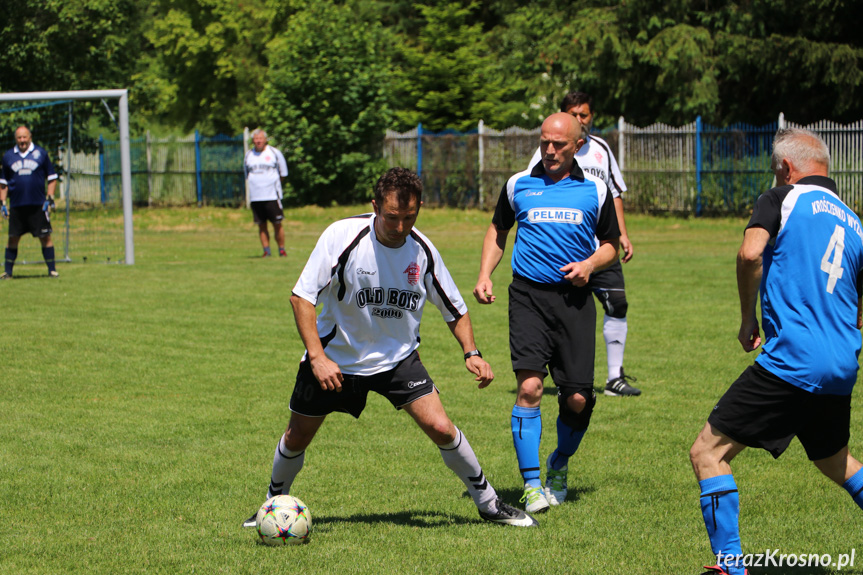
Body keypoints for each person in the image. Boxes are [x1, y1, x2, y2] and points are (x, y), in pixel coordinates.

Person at [243, 167, 537, 529]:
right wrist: (317, 357)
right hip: (336, 357)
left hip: (397, 359)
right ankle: (272, 505)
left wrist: (471, 352)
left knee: (442, 428)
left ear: (419, 209)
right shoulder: (342, 236)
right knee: (297, 435)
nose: (400, 227)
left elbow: (454, 308)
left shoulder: (423, 251)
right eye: (392, 217)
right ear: (375, 207)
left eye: (409, 218)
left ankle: (488, 503)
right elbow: (301, 297)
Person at [689, 128, 863, 575]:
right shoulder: (855, 223)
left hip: (793, 360)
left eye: (774, 171)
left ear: (786, 169)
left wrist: (749, 318)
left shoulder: (782, 198)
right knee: (836, 462)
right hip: (841, 365)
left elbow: (750, 255)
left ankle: (730, 565)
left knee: (708, 453)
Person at [473, 113, 620, 513]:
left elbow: (611, 243)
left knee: (577, 399)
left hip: (574, 302)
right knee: (530, 389)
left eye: (559, 144)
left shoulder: (595, 189)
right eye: (545, 143)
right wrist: (485, 273)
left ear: (578, 145)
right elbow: (497, 230)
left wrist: (590, 265)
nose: (550, 150)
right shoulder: (518, 184)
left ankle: (559, 463)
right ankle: (533, 485)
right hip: (528, 298)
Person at [528, 91, 640, 396]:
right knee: (560, 308)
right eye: (573, 114)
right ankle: (562, 372)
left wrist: (622, 234)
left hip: (601, 247)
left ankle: (614, 378)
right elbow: (529, 192)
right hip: (563, 247)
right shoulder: (546, 152)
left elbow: (613, 193)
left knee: (617, 303)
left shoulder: (601, 150)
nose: (580, 119)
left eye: (585, 114)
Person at [0, 126, 60, 279]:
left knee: (45, 237)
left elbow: (52, 177)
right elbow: (3, 183)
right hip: (17, 205)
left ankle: (52, 270)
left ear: (30, 137)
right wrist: (2, 203)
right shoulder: (8, 156)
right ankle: (8, 272)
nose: (22, 141)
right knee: (12, 238)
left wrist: (50, 197)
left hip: (37, 205)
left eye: (24, 137)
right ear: (16, 139)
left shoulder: (40, 153)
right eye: (19, 137)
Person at [244, 129, 288, 257]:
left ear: (265, 140)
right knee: (261, 225)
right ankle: (266, 251)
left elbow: (283, 173)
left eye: (260, 138)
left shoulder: (274, 153)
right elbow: (247, 174)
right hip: (256, 196)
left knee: (277, 224)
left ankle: (281, 249)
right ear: (253, 140)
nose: (258, 141)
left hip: (272, 195)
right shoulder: (248, 155)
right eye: (256, 139)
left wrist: (273, 184)